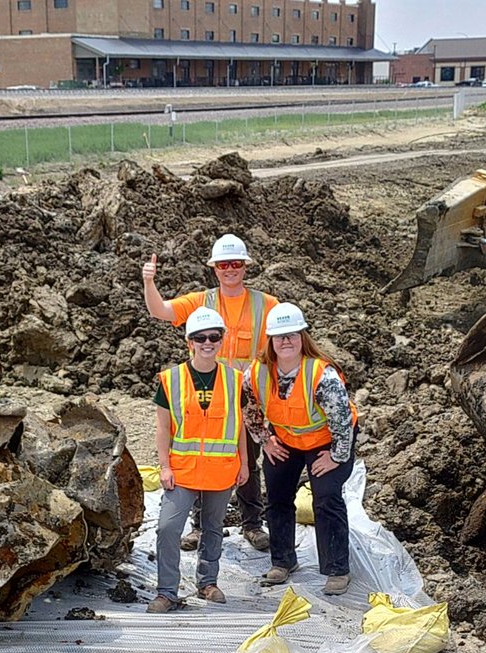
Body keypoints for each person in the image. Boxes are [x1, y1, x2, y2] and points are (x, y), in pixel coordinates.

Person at [142, 233, 277, 554]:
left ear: (245, 266)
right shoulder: (201, 301)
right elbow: (160, 311)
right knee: (205, 457)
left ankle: (252, 524)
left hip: (246, 398)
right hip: (206, 397)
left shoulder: (266, 305)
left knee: (248, 463)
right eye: (223, 265)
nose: (230, 269)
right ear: (214, 269)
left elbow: (287, 342)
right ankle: (200, 527)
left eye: (235, 264)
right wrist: (149, 283)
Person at [244, 303, 358, 597]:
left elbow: (342, 421)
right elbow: (249, 409)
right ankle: (282, 561)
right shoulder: (256, 373)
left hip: (328, 441)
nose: (286, 341)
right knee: (278, 497)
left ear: (302, 336)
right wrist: (265, 440)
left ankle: (336, 569)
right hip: (286, 441)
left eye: (292, 335)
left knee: (326, 497)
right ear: (270, 340)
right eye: (279, 336)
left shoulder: (322, 375)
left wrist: (336, 456)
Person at [148, 306, 249, 613]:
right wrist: (164, 466)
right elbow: (163, 427)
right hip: (182, 471)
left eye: (214, 337)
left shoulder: (234, 380)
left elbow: (240, 425)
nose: (208, 343)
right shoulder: (171, 380)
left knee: (213, 528)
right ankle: (167, 591)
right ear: (189, 341)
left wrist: (244, 463)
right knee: (168, 528)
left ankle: (207, 583)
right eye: (200, 338)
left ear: (222, 340)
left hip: (220, 471)